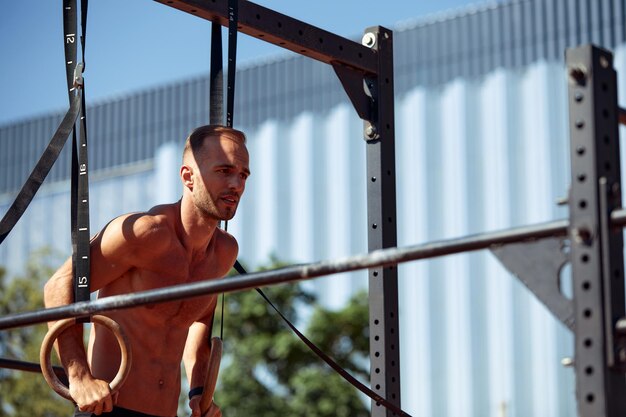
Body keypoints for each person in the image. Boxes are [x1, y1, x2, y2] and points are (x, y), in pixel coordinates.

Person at [44, 125, 250, 417]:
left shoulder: (224, 252)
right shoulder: (143, 234)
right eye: (224, 171)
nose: (236, 184)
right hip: (108, 411)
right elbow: (57, 287)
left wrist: (199, 392)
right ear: (188, 177)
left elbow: (200, 317)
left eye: (243, 175)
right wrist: (79, 377)